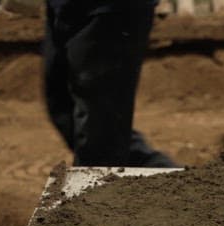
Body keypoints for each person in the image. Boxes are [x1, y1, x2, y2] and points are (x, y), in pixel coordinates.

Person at [43, 0, 176, 167]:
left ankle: (98, 185)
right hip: (65, 7)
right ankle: (167, 177)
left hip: (109, 9)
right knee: (63, 105)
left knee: (97, 128)